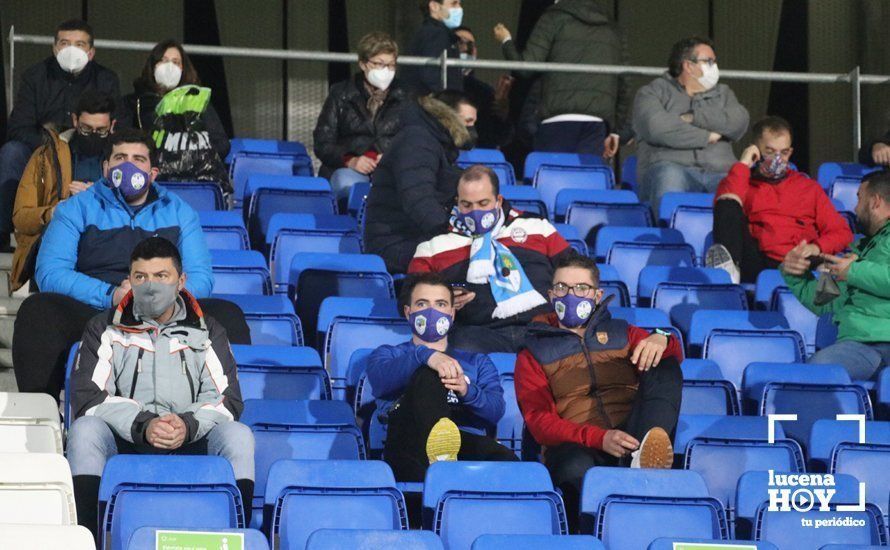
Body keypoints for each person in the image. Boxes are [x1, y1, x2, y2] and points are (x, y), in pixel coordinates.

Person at [12, 128, 249, 401]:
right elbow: (51, 272)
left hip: (168, 313)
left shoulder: (180, 211)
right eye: (120, 157)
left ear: (153, 173)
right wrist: (111, 295)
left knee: (229, 315)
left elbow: (201, 277)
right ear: (105, 167)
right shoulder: (75, 208)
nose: (128, 165)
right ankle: (44, 413)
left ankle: (224, 412)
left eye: (138, 159)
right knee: (37, 311)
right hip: (98, 312)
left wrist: (161, 299)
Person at [67, 236, 253, 538]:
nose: (150, 285)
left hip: (191, 440)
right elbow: (89, 397)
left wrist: (187, 425)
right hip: (126, 441)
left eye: (161, 276)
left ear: (181, 281)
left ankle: (237, 538)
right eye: (140, 277)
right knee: (85, 430)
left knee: (238, 435)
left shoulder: (208, 330)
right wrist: (144, 425)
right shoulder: (104, 328)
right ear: (129, 280)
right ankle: (88, 538)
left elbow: (227, 400)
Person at [515, 254, 683, 529]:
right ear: (550, 293)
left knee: (665, 364)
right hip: (579, 445)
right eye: (561, 288)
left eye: (581, 288)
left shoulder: (622, 333)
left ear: (597, 294)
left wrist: (662, 338)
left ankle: (643, 458)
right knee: (573, 467)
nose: (570, 296)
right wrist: (599, 438)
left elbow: (672, 352)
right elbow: (539, 422)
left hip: (633, 438)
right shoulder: (532, 351)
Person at [365, 272, 516, 482]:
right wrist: (427, 356)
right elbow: (381, 381)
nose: (432, 311)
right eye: (422, 304)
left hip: (462, 442)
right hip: (409, 445)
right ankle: (440, 459)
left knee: (506, 461)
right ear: (408, 312)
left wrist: (466, 390)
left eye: (441, 304)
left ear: (452, 314)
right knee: (429, 374)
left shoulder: (477, 362)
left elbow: (495, 411)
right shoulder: (387, 355)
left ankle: (444, 454)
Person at [409, 165, 573, 352]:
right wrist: (443, 298)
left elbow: (576, 270)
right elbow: (409, 295)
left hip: (541, 327)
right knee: (461, 348)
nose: (475, 212)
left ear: (498, 200)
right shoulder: (434, 244)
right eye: (467, 205)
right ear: (457, 202)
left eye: (483, 203)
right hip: (480, 333)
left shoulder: (537, 226)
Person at [0, 19, 121, 251]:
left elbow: (119, 129)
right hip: (43, 148)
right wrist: (55, 146)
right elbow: (18, 127)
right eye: (65, 43)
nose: (72, 50)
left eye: (80, 44)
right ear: (55, 47)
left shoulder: (106, 79)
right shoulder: (35, 76)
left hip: (90, 149)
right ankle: (3, 232)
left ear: (91, 52)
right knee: (11, 152)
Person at [706, 117, 852, 284]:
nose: (777, 159)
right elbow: (726, 209)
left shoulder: (808, 187)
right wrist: (743, 164)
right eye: (769, 151)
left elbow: (841, 232)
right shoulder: (742, 182)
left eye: (784, 152)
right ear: (756, 150)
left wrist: (816, 247)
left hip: (800, 259)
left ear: (790, 152)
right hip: (758, 260)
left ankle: (822, 304)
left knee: (829, 269)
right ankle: (729, 274)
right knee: (727, 202)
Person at [781, 170, 890, 381]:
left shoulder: (854, 264)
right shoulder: (857, 251)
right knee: (814, 372)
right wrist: (794, 272)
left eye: (859, 199)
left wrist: (854, 271)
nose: (855, 208)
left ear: (875, 202)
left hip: (881, 341)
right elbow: (824, 301)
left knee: (817, 371)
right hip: (860, 347)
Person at [493, 0, 631, 157]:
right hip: (595, 124)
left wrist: (506, 41)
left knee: (552, 177)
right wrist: (615, 131)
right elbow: (624, 83)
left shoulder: (553, 18)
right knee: (587, 179)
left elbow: (526, 68)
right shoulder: (612, 27)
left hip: (555, 119)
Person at [12, 90, 118, 293]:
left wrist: (98, 197)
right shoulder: (46, 157)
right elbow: (20, 217)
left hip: (106, 249)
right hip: (56, 242)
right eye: (86, 129)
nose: (93, 136)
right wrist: (53, 211)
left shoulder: (122, 160)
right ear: (75, 120)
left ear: (112, 126)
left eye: (101, 131)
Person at [364, 91, 477, 274]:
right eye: (468, 121)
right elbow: (418, 199)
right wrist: (449, 232)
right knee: (474, 261)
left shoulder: (434, 143)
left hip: (414, 237)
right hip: (396, 243)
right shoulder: (416, 141)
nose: (472, 129)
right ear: (449, 117)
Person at [633, 36, 749, 214]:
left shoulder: (724, 93)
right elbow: (657, 128)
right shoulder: (651, 93)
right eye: (709, 61)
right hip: (672, 167)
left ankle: (728, 242)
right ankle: (670, 239)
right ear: (688, 66)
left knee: (742, 187)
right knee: (669, 177)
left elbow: (739, 121)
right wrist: (707, 136)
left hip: (720, 171)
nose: (714, 67)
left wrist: (692, 117)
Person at [313, 32, 408, 203]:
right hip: (349, 170)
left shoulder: (406, 96)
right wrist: (350, 160)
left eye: (391, 65)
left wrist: (392, 157)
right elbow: (322, 142)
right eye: (379, 64)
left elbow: (414, 138)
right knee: (347, 185)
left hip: (392, 169)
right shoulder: (341, 94)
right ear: (363, 64)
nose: (386, 70)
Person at [123, 39, 231, 190]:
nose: (169, 67)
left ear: (183, 69)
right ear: (152, 66)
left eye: (176, 62)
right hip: (150, 183)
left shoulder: (198, 101)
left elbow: (221, 144)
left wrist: (187, 162)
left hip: (197, 184)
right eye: (164, 61)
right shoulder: (134, 103)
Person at [453, 26, 514, 149]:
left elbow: (503, 138)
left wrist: (502, 114)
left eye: (470, 45)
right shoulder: (435, 88)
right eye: (459, 43)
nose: (465, 48)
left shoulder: (485, 92)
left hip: (479, 158)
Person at [402, 0, 465, 95]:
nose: (459, 8)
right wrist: (446, 103)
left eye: (460, 4)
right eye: (454, 3)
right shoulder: (436, 34)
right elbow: (432, 76)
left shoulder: (428, 31)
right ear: (434, 6)